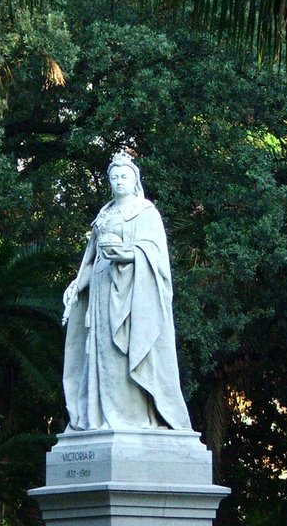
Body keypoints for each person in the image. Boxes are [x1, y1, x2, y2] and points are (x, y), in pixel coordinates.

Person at [61, 151, 192, 431]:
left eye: (124, 176)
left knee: (124, 355)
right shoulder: (104, 215)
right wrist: (76, 287)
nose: (119, 181)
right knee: (103, 356)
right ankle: (101, 417)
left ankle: (130, 418)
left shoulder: (146, 213)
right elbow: (91, 259)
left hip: (132, 297)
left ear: (135, 180)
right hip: (101, 293)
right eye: (114, 177)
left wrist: (126, 254)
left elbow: (155, 255)